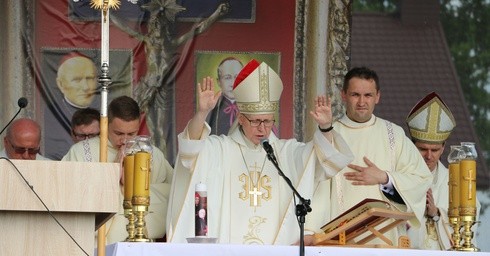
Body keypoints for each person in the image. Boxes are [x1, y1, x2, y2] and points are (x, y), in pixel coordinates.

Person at [166, 60, 354, 245]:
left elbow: (323, 161)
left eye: (268, 121)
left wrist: (326, 127)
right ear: (240, 118)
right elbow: (191, 152)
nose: (262, 129)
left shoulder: (285, 153)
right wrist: (202, 113)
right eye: (255, 121)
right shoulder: (221, 149)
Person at [312, 67, 433, 246]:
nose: (362, 102)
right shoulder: (330, 133)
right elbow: (314, 184)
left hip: (387, 238)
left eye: (368, 95)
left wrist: (385, 178)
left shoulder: (394, 135)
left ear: (377, 96)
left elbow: (421, 179)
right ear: (343, 95)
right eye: (355, 95)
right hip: (340, 240)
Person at [62, 96, 173, 244]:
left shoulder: (153, 154)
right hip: (94, 246)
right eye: (119, 133)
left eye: (132, 134)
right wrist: (112, 176)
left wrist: (129, 188)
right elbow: (68, 197)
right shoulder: (81, 152)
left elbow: (174, 195)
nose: (125, 140)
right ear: (106, 124)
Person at [405, 92, 481, 250]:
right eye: (423, 149)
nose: (429, 156)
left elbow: (469, 229)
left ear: (444, 148)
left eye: (435, 149)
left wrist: (437, 214)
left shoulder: (458, 184)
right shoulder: (400, 178)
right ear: (412, 146)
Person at [44, 52, 100, 160]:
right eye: (77, 79)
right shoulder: (48, 114)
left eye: (89, 79)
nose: (85, 87)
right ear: (60, 84)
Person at [206, 57, 243, 135]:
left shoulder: (253, 104)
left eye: (237, 77)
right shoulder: (210, 108)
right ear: (219, 82)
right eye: (227, 78)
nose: (233, 83)